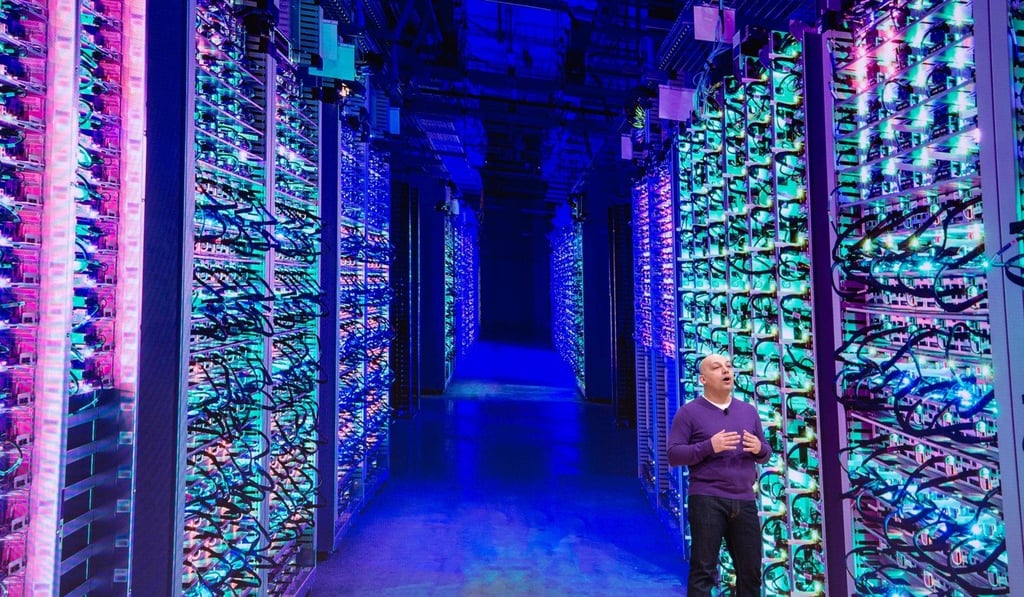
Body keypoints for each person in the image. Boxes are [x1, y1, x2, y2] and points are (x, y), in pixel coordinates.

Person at [667, 354, 771, 597]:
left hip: (744, 500)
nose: (726, 370)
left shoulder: (748, 412)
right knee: (703, 570)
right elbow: (674, 455)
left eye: (729, 366)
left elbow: (765, 453)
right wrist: (709, 446)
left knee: (750, 572)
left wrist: (759, 448)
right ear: (703, 379)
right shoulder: (688, 413)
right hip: (707, 499)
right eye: (717, 367)